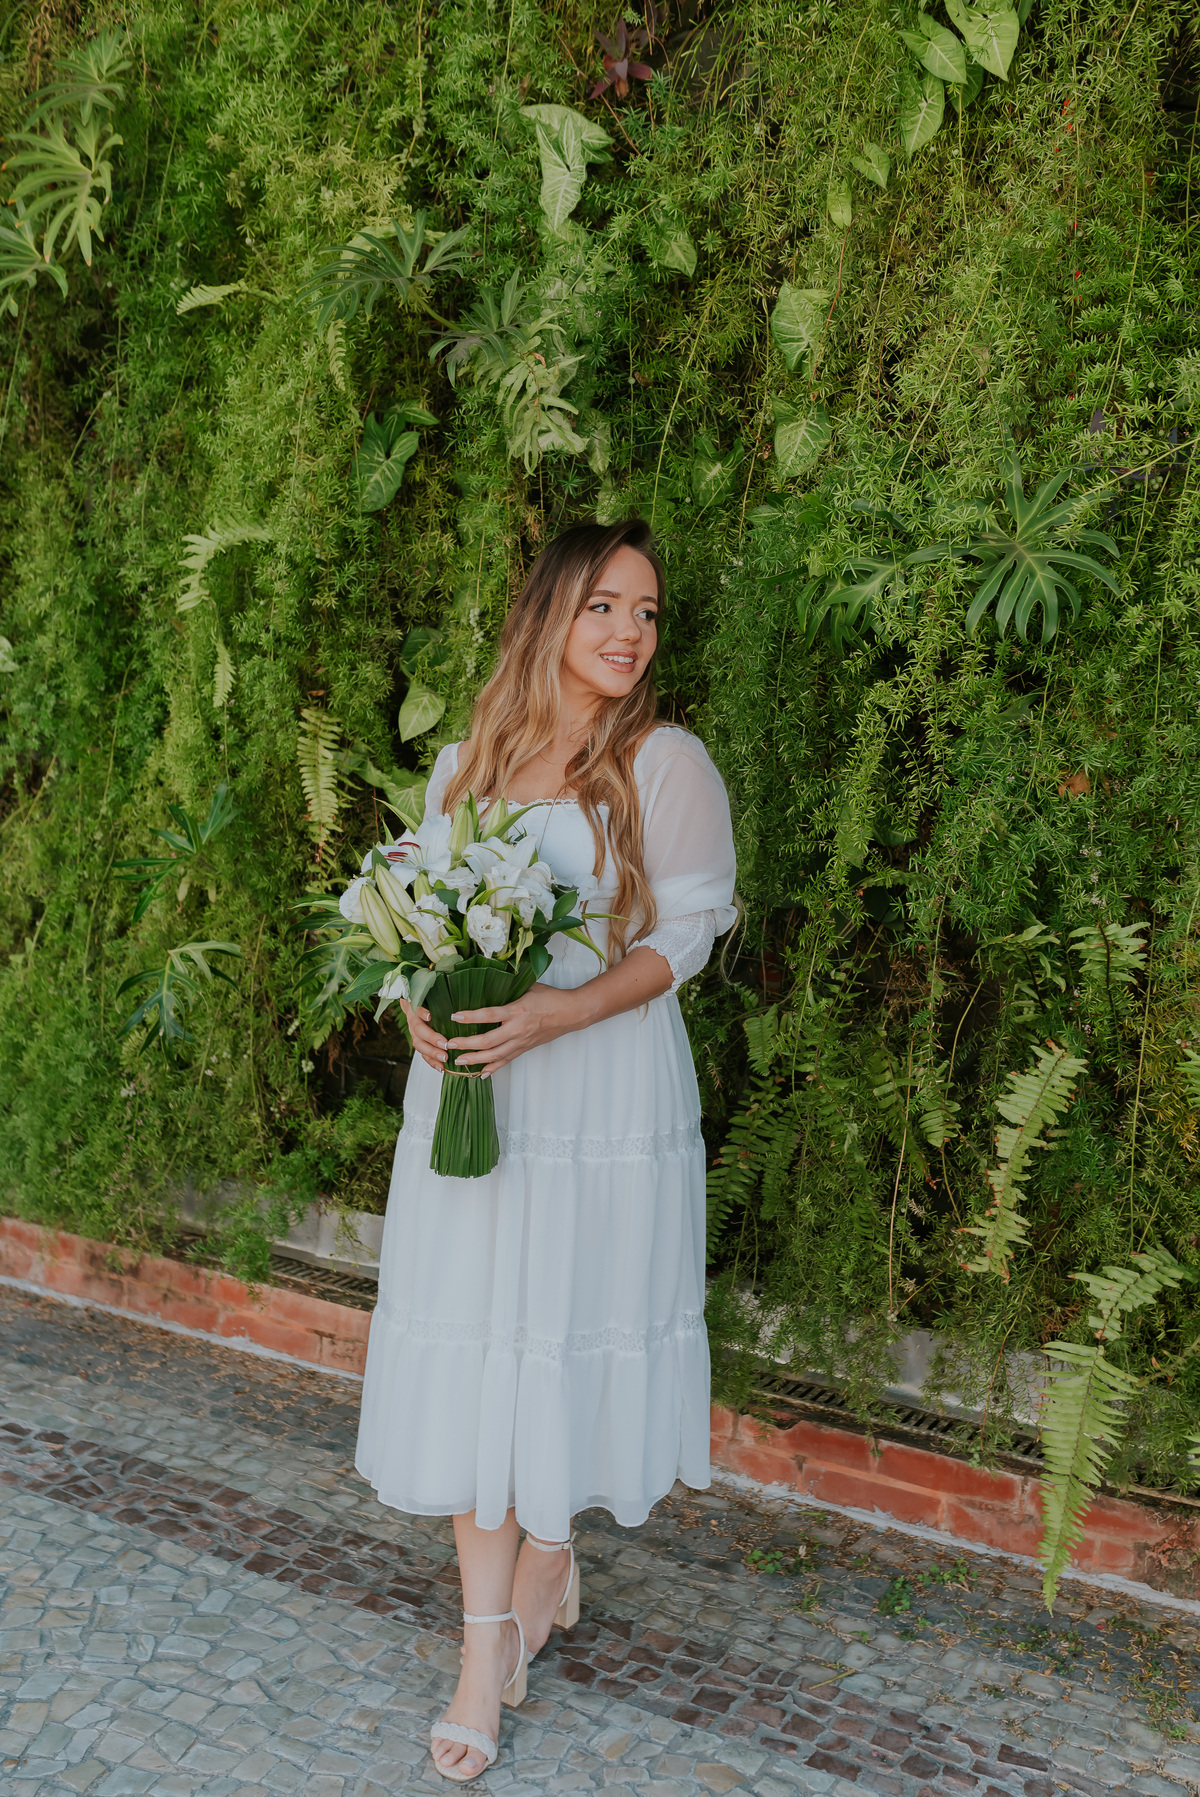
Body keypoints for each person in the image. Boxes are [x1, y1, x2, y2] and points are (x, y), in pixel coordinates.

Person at [354, 517, 737, 1783]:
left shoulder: (666, 761)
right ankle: (482, 1654)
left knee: (558, 1335)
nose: (630, 633)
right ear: (550, 617)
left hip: (599, 1098)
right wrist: (422, 1009)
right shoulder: (465, 763)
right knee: (478, 1354)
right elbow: (426, 926)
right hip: (478, 1106)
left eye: (647, 613)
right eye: (605, 609)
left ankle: (550, 1556)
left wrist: (560, 1011)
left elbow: (682, 938)